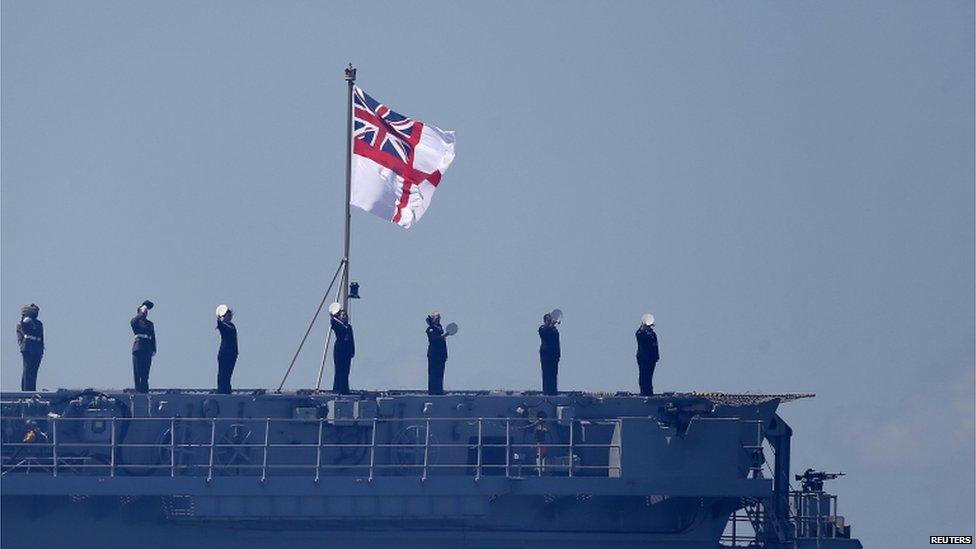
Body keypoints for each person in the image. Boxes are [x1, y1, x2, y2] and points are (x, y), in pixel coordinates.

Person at [15, 304, 44, 391]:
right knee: (28, 370)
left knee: (34, 370)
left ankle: (32, 389)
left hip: (37, 348)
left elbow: (41, 336)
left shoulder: (39, 323)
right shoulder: (23, 322)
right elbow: (23, 330)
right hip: (28, 347)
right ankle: (26, 390)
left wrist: (42, 349)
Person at [131, 300, 156, 393]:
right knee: (137, 372)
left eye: (146, 312)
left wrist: (154, 349)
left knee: (145, 373)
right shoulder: (136, 322)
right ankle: (138, 391)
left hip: (147, 348)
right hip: (138, 348)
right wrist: (143, 309)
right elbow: (134, 320)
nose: (145, 313)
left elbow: (153, 336)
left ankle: (145, 391)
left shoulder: (150, 324)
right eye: (144, 312)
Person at [329, 307, 355, 394]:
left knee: (346, 370)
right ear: (339, 317)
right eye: (343, 315)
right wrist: (333, 316)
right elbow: (333, 323)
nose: (344, 317)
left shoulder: (348, 327)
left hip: (347, 351)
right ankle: (337, 389)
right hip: (339, 350)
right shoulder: (338, 325)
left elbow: (351, 339)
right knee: (339, 369)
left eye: (345, 315)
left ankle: (345, 389)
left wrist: (352, 351)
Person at [425, 312, 450, 395]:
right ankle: (433, 391)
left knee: (440, 373)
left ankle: (439, 390)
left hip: (441, 355)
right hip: (434, 355)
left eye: (439, 318)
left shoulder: (439, 328)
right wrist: (443, 336)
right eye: (436, 318)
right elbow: (433, 339)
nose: (438, 319)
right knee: (433, 374)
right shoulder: (431, 329)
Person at [215, 306, 238, 394]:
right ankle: (222, 390)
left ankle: (226, 390)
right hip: (225, 354)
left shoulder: (232, 326)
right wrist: (218, 318)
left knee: (228, 374)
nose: (229, 317)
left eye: (230, 316)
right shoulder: (224, 326)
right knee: (222, 374)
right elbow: (221, 325)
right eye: (227, 316)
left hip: (232, 354)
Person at [635, 314, 660, 396]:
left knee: (649, 376)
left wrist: (657, 356)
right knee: (643, 375)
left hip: (651, 358)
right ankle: (644, 392)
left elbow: (656, 346)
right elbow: (638, 337)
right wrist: (642, 328)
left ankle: (649, 392)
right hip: (643, 358)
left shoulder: (653, 334)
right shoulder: (641, 333)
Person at [538, 313, 560, 395]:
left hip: (554, 355)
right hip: (546, 355)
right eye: (548, 319)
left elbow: (557, 343)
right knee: (546, 374)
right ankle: (547, 391)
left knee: (553, 374)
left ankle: (553, 391)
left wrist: (558, 354)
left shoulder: (554, 330)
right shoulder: (542, 329)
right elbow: (545, 335)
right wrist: (550, 326)